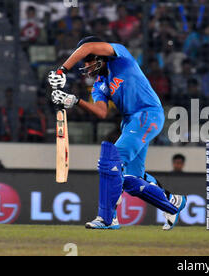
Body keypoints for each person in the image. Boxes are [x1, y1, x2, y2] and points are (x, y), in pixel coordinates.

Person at [47, 36, 187, 230]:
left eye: (88, 59)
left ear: (100, 56)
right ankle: (172, 202)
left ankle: (107, 218)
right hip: (131, 121)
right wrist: (75, 101)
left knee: (112, 160)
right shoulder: (99, 84)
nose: (86, 65)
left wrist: (62, 70)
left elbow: (87, 46)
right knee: (131, 179)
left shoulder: (121, 56)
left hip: (148, 113)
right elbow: (101, 112)